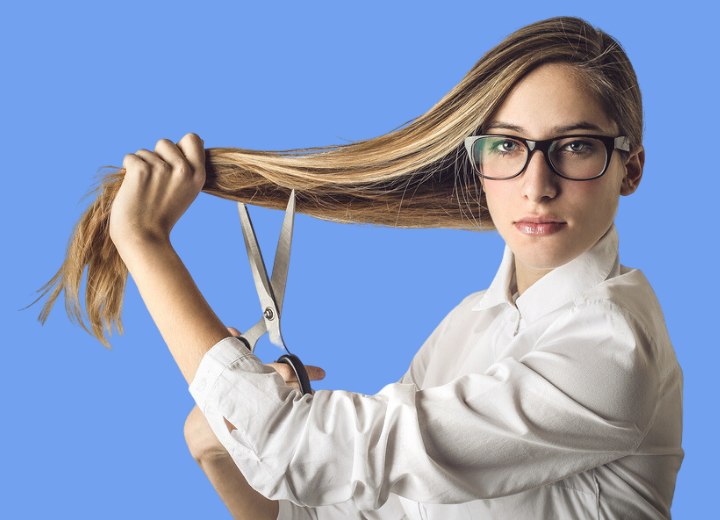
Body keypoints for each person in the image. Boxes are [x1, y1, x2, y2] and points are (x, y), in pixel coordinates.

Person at [35, 15, 683, 520]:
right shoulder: (470, 326)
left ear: (631, 167)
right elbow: (335, 508)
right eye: (507, 145)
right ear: (477, 159)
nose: (535, 184)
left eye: (574, 146)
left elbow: (294, 445)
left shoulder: (611, 347)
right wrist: (218, 448)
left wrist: (144, 243)